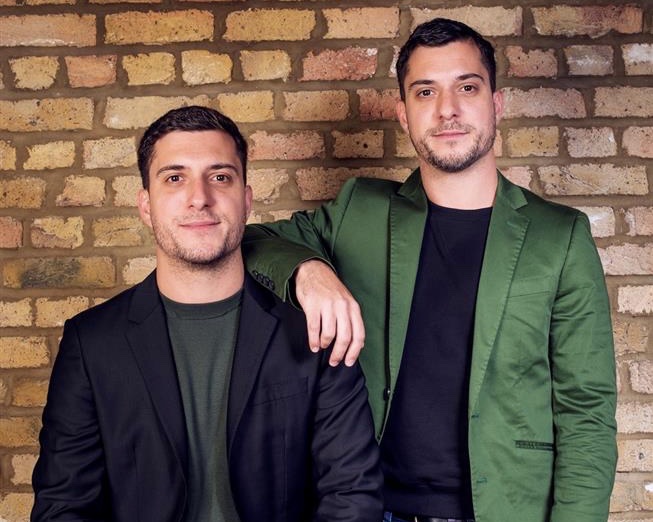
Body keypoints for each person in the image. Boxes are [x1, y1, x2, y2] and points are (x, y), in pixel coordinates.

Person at [243, 18, 617, 522]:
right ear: (403, 113)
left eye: (467, 87)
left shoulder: (560, 236)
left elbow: (585, 412)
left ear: (496, 103)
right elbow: (248, 240)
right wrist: (308, 270)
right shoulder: (362, 210)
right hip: (371, 509)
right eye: (425, 92)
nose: (448, 110)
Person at [31, 106, 383, 522]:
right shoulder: (92, 343)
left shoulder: (316, 332)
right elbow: (64, 505)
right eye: (175, 178)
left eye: (220, 176)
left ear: (247, 200)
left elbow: (351, 497)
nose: (199, 197)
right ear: (145, 206)